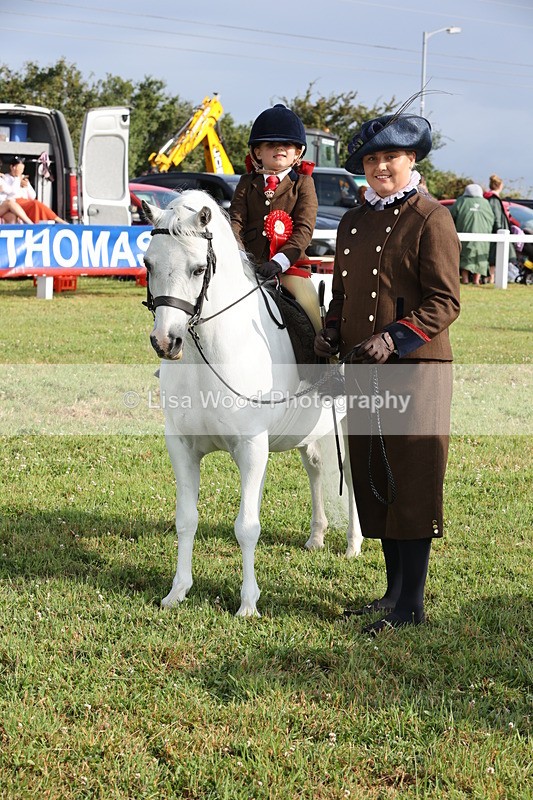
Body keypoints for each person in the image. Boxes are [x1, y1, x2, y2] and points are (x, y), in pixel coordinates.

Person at [314, 111, 460, 635]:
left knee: (412, 475)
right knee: (376, 474)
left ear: (411, 159)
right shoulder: (353, 221)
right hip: (361, 368)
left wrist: (393, 336)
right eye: (372, 159)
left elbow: (446, 301)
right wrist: (333, 329)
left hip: (415, 369)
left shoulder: (429, 217)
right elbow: (345, 292)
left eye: (390, 157)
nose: (380, 167)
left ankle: (411, 605)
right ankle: (392, 593)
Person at [229, 104, 321, 331]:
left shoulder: (303, 184)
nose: (279, 148)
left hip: (290, 269)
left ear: (297, 152)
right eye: (271, 144)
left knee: (312, 313)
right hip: (248, 267)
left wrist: (279, 262)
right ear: (257, 152)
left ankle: (323, 359)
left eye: (287, 144)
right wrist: (242, 258)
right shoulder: (246, 183)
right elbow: (236, 222)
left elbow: (304, 229)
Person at [0, 155, 67, 223]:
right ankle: (58, 221)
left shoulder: (23, 178)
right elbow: (12, 192)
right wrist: (17, 178)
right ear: (12, 167)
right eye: (19, 169)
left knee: (36, 203)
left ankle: (58, 221)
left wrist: (27, 186)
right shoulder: (6, 178)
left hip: (26, 201)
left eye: (22, 169)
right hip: (15, 202)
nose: (21, 171)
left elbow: (33, 196)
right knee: (35, 204)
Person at [450, 184, 495, 285]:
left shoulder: (461, 201)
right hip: (483, 237)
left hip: (463, 234)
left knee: (465, 254)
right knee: (480, 257)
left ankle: (465, 279)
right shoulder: (485, 203)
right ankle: (476, 280)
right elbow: (492, 219)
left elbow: (451, 216)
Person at [483, 174, 515, 284]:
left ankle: (493, 278)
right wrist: (500, 229)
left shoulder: (490, 198)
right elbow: (496, 216)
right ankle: (492, 278)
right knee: (495, 256)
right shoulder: (494, 199)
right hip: (498, 231)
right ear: (500, 185)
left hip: (497, 232)